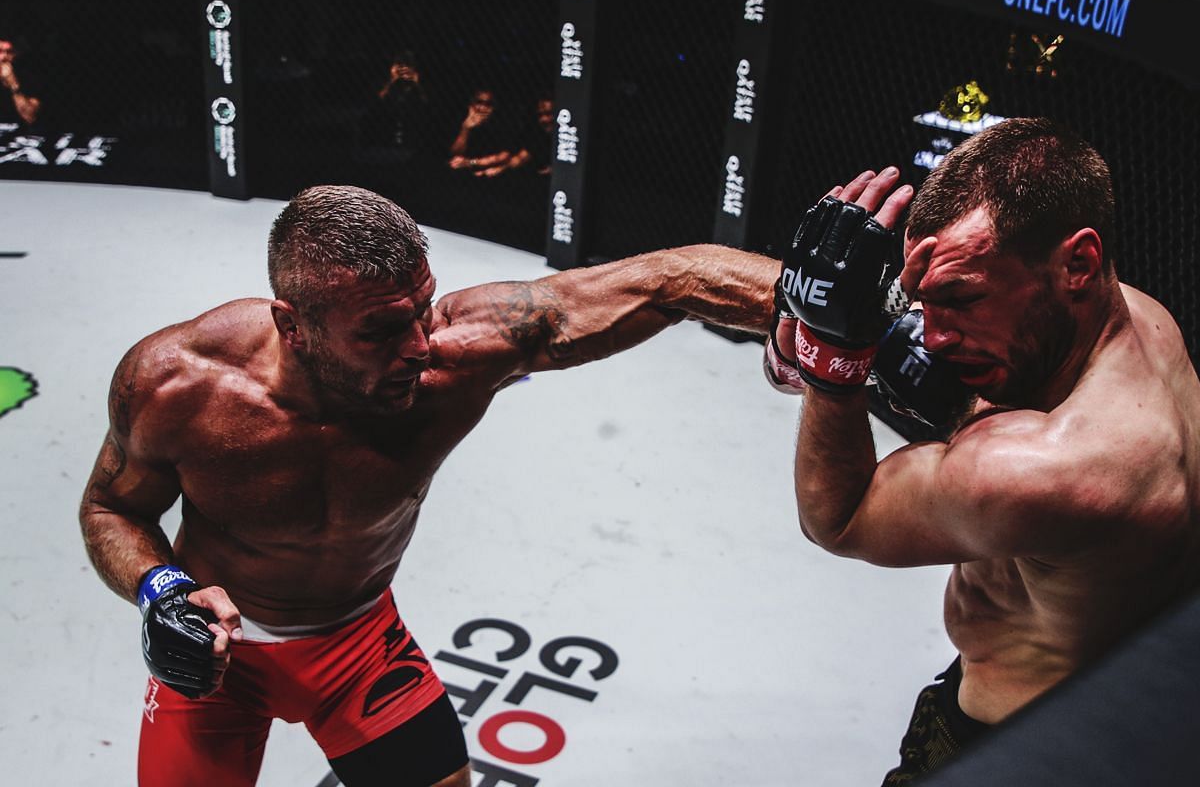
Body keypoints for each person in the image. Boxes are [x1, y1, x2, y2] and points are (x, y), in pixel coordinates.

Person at [78, 183, 780, 787]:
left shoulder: (455, 355)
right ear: (293, 325)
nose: (418, 344)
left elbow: (677, 277)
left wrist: (865, 321)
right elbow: (111, 506)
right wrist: (160, 592)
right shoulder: (178, 384)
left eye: (422, 308)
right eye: (380, 330)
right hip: (216, 657)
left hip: (359, 646)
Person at [773, 117, 1200, 783]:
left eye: (960, 298)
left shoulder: (1051, 471)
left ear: (1077, 264)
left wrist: (830, 361)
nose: (933, 336)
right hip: (1112, 700)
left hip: (1023, 752)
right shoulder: (1136, 319)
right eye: (922, 300)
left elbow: (839, 518)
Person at [359, 49, 432, 164]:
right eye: (400, 65)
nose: (403, 69)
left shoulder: (422, 85)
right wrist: (392, 80)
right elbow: (373, 104)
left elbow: (428, 105)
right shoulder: (382, 83)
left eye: (408, 65)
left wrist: (417, 83)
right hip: (383, 136)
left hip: (412, 137)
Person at [446, 87, 510, 174]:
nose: (483, 108)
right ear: (471, 104)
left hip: (488, 173)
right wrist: (466, 129)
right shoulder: (459, 120)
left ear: (494, 107)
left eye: (488, 104)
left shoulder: (499, 124)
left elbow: (505, 156)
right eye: (479, 102)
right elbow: (453, 155)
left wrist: (471, 162)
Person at [0, 36, 42, 127]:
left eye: (9, 52)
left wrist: (13, 83)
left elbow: (30, 118)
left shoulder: (27, 77)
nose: (3, 57)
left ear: (16, 54)